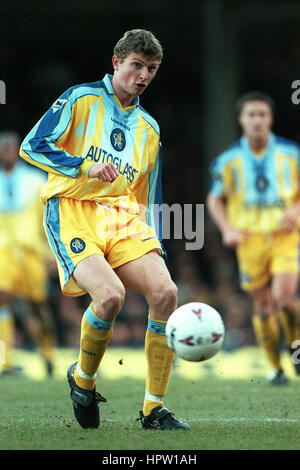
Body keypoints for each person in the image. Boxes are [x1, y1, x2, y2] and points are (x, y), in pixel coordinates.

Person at [19, 29, 190, 430]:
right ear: (117, 63)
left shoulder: (149, 128)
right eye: (136, 65)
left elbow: (148, 196)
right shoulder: (80, 98)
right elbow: (32, 144)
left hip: (123, 218)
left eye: (151, 69)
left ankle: (153, 410)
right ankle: (83, 380)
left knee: (166, 292)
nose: (143, 75)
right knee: (110, 297)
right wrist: (84, 166)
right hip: (73, 209)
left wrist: (155, 246)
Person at [207, 91, 300, 385]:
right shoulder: (228, 160)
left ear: (270, 119)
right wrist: (227, 229)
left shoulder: (292, 153)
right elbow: (214, 198)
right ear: (241, 120)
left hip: (285, 235)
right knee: (262, 306)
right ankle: (276, 369)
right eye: (251, 115)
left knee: (283, 298)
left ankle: (295, 346)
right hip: (249, 240)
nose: (257, 120)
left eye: (262, 114)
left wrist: (296, 210)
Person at [0, 131, 56, 377]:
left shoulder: (36, 180)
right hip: (4, 252)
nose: (6, 153)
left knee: (38, 306)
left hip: (32, 251)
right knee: (2, 299)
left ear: (18, 151)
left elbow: (50, 219)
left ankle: (48, 354)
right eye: (3, 149)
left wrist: (51, 253)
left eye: (10, 148)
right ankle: (5, 362)